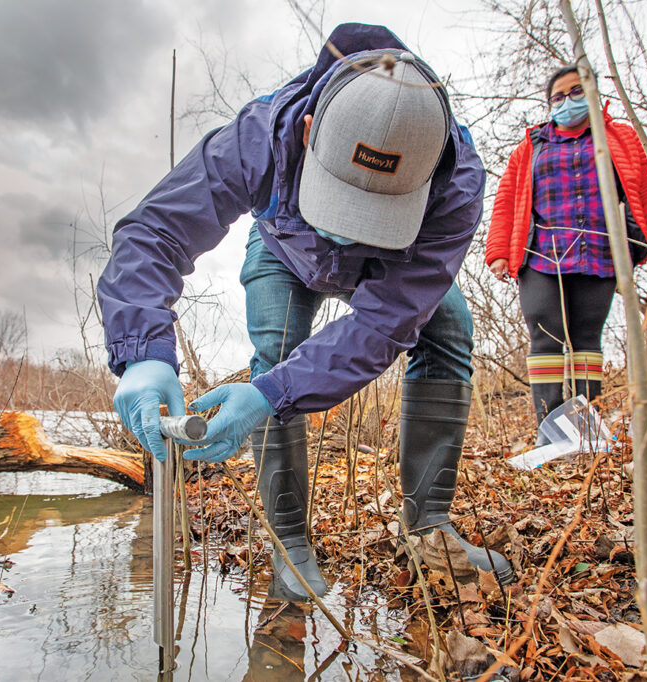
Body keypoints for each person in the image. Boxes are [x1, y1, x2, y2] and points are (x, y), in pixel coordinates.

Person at [98, 23, 513, 600]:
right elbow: (157, 230)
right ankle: (288, 542)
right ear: (312, 130)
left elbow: (387, 319)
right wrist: (141, 352)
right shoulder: (262, 133)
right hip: (283, 250)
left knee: (446, 328)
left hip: (387, 267)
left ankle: (430, 529)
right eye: (342, 195)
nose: (343, 230)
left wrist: (273, 395)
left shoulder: (457, 181)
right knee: (278, 356)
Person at [485, 66, 647, 444]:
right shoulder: (532, 145)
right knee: (545, 333)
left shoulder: (621, 139)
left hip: (601, 250)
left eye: (576, 92)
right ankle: (549, 431)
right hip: (540, 251)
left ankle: (581, 430)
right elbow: (507, 199)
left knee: (586, 337)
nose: (567, 102)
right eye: (557, 97)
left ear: (593, 94)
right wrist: (498, 252)